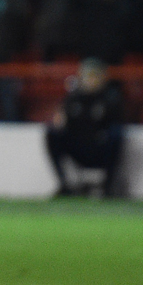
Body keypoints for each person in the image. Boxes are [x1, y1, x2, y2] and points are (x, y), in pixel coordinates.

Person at [46, 58, 125, 197]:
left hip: (99, 147)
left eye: (95, 76)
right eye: (88, 76)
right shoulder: (73, 97)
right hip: (77, 147)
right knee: (51, 134)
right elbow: (62, 120)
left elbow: (116, 122)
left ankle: (108, 186)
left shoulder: (110, 98)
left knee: (116, 134)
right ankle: (64, 184)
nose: (91, 80)